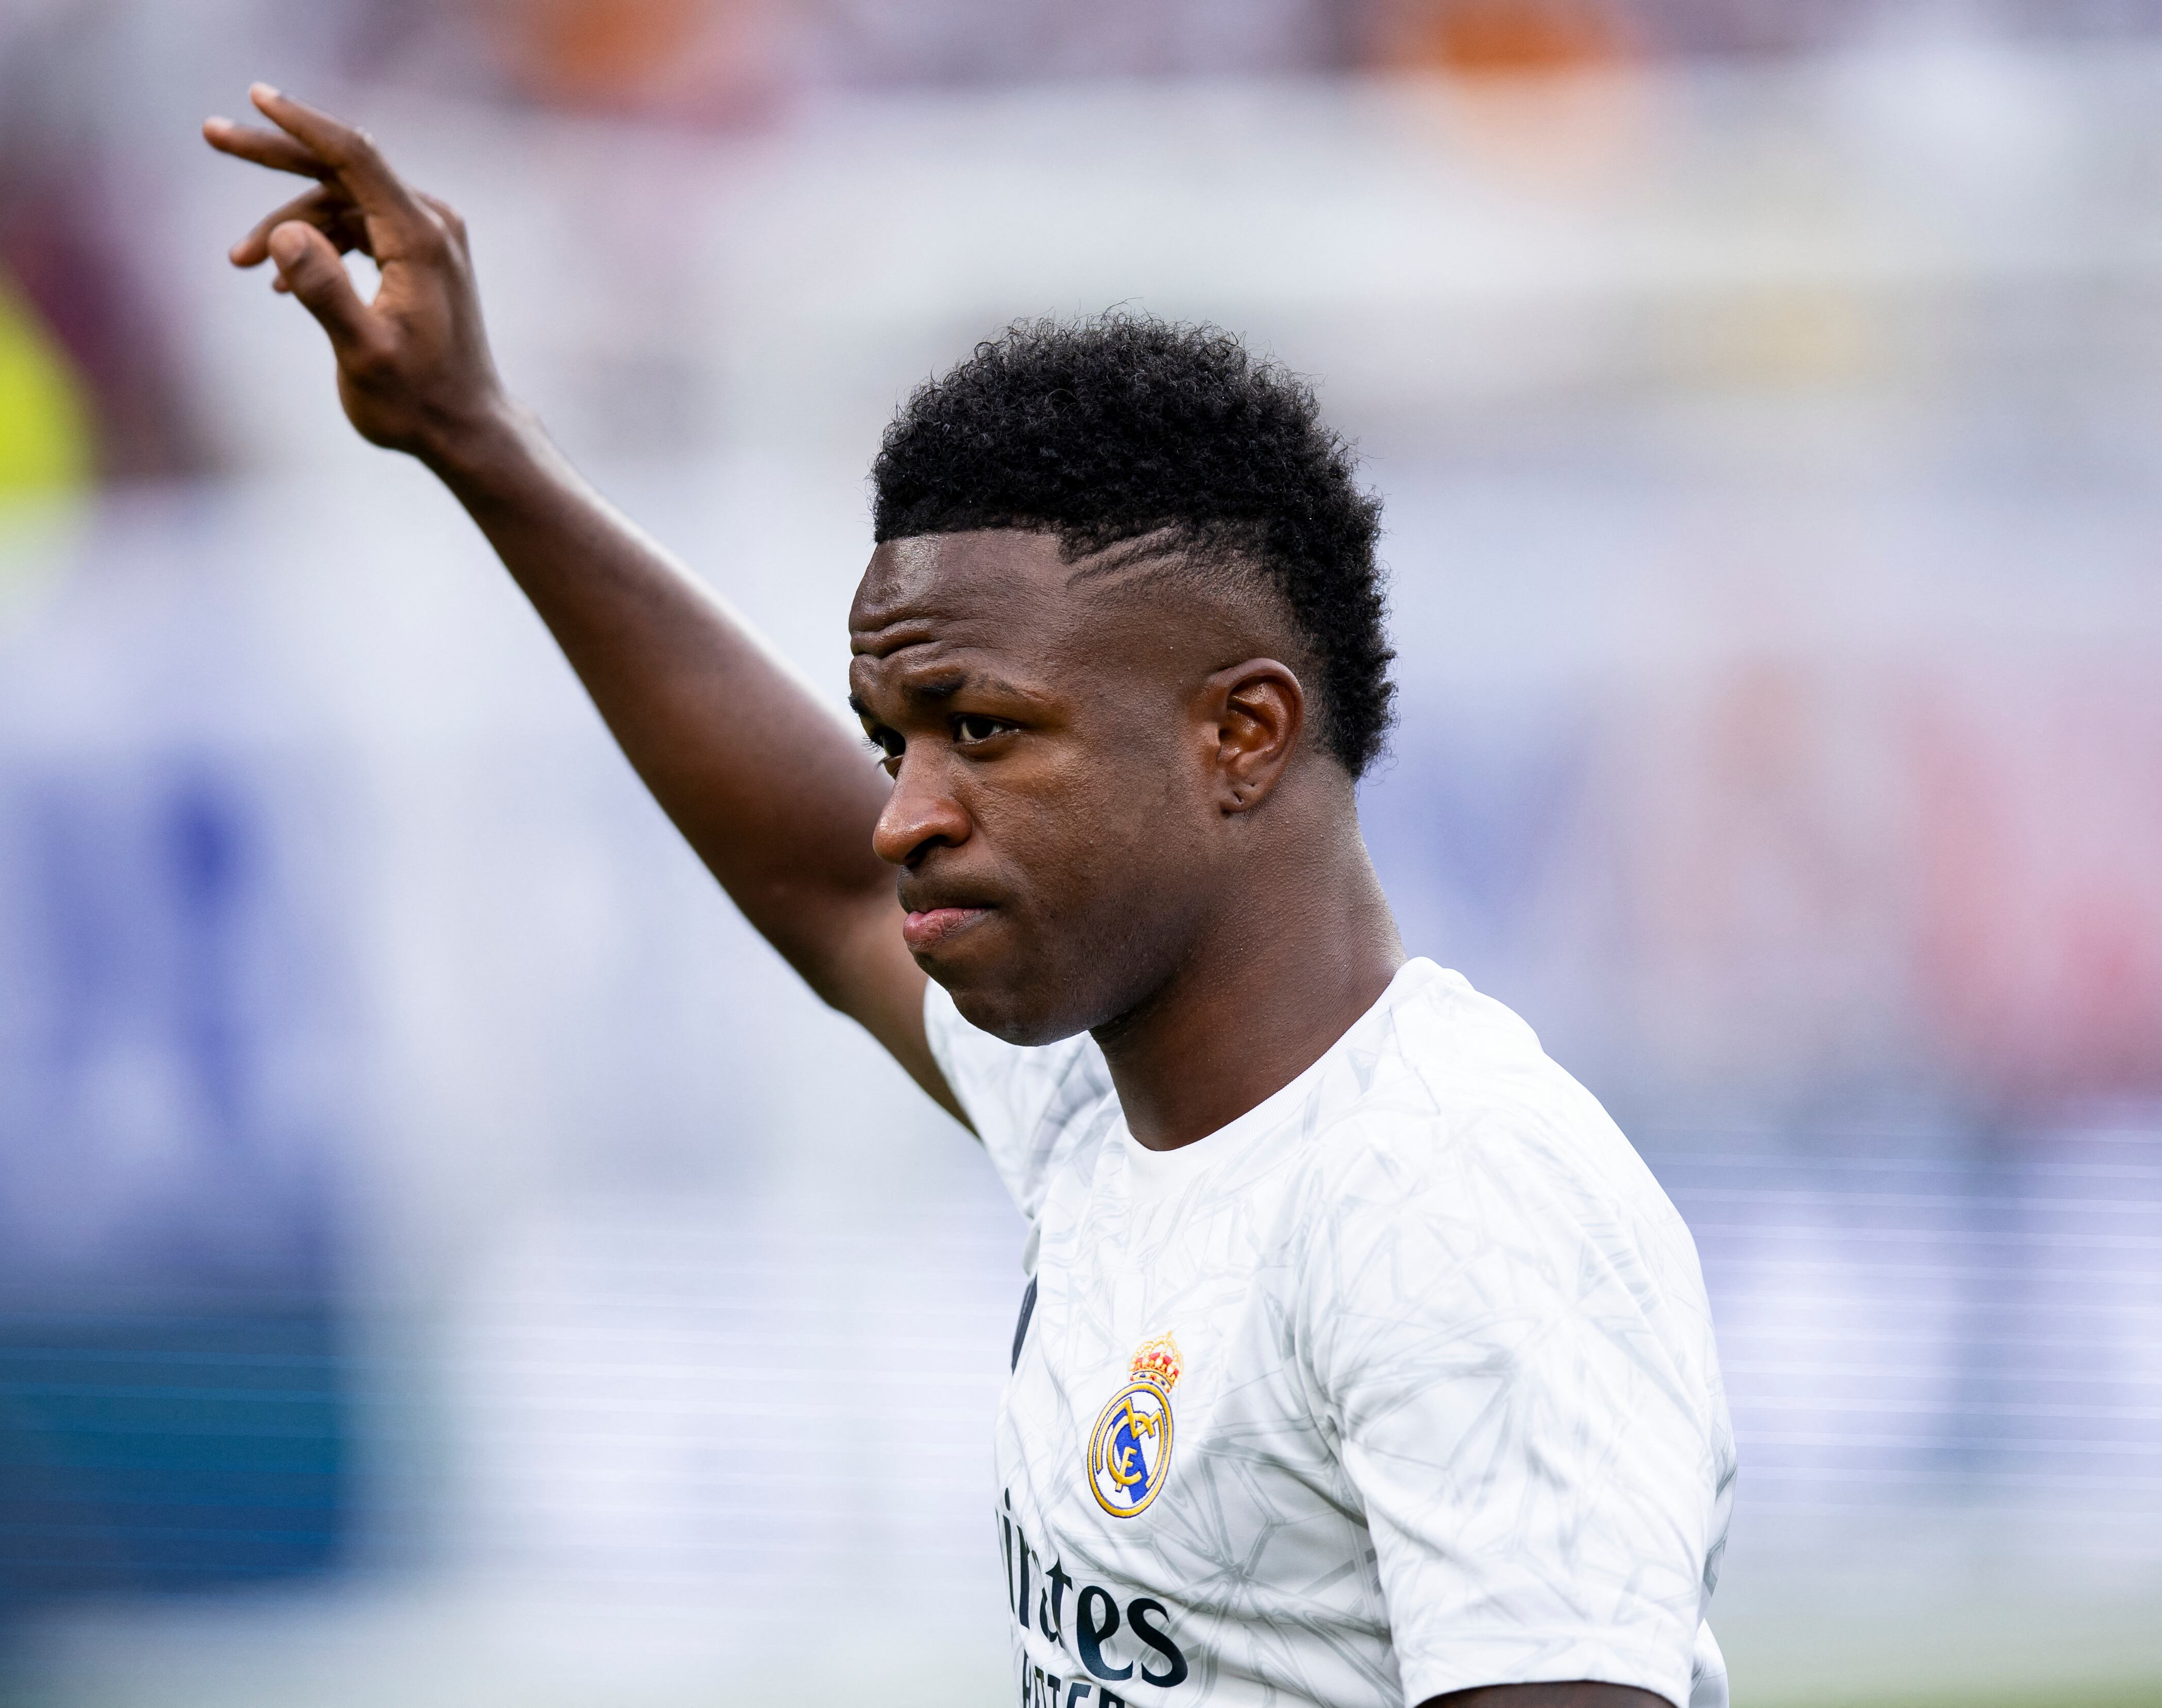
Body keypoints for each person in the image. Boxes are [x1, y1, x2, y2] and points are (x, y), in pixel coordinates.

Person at [204, 84, 1735, 1708]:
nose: (903, 820)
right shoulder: (1111, 1089)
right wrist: (474, 438)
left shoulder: (1453, 1209)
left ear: (1241, 734)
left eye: (986, 734)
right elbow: (824, 885)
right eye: (894, 741)